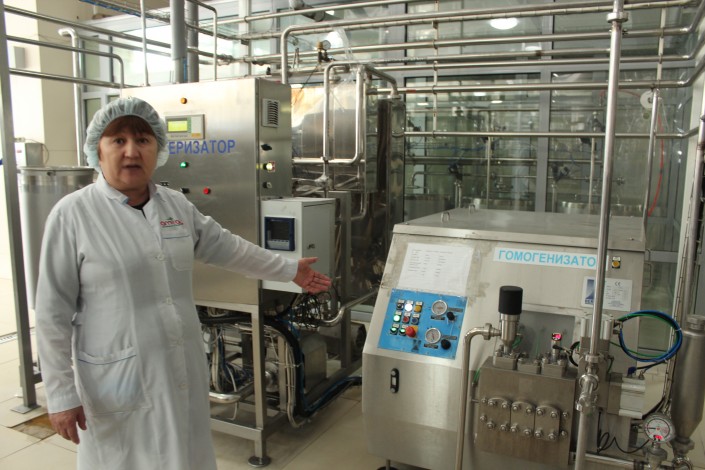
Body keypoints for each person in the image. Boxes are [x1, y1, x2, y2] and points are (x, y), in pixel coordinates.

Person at [35, 96, 331, 470]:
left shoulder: (173, 205)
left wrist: (288, 269)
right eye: (119, 140)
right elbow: (51, 313)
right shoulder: (73, 214)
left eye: (143, 140)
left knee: (186, 455)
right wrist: (61, 394)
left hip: (178, 368)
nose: (131, 151)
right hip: (115, 378)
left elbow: (227, 247)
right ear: (98, 148)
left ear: (158, 147)